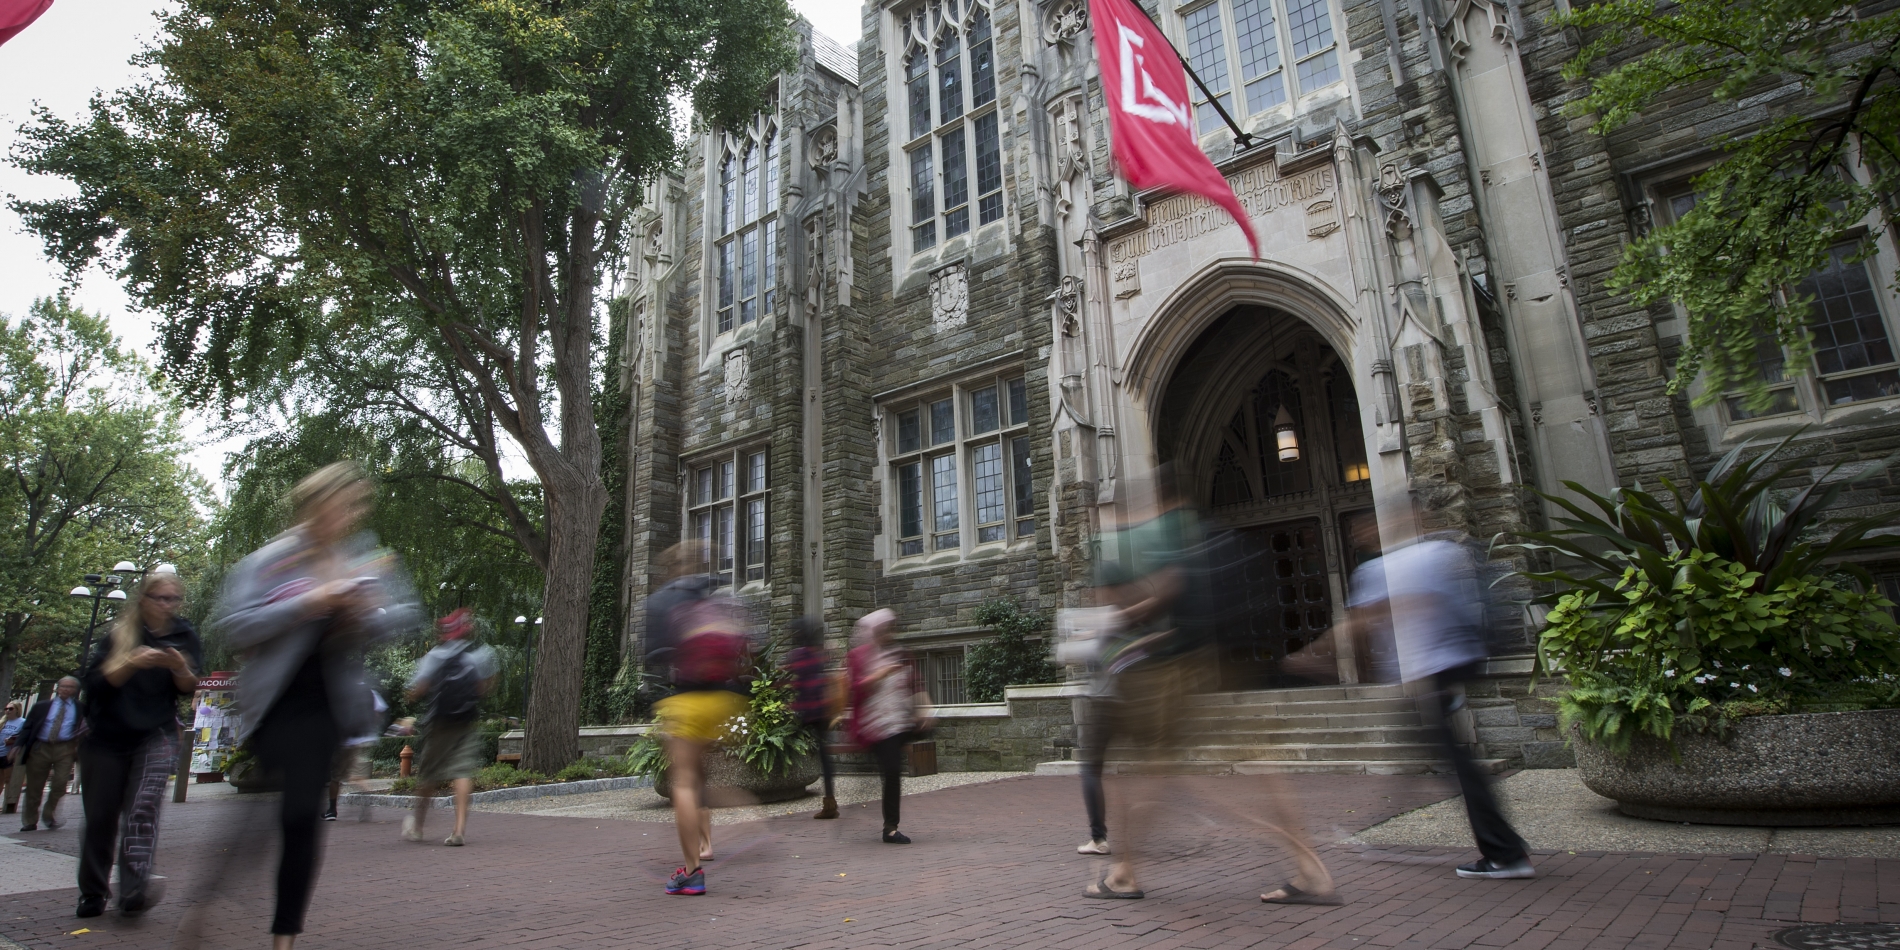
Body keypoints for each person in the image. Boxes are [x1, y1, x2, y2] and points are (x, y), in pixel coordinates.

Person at [1078, 467, 1336, 904]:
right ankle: (1310, 869)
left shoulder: (1154, 534)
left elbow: (1169, 590)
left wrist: (1115, 622)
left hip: (1174, 671)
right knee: (1252, 765)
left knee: (1154, 774)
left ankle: (1124, 874)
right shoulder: (1199, 527)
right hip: (1227, 659)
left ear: (1155, 497)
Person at [216, 461, 419, 948]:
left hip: (326, 705)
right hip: (276, 702)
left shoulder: (360, 559)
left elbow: (404, 616)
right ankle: (213, 896)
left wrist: (368, 612)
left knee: (299, 815)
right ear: (315, 503)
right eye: (342, 503)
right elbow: (236, 626)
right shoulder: (272, 560)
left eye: (356, 506)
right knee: (275, 816)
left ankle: (283, 934)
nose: (350, 515)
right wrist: (309, 602)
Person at [1342, 518, 1533, 880]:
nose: (1359, 535)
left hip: (1436, 670)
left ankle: (1504, 854)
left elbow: (1370, 617)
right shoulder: (1440, 551)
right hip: (1451, 665)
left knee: (1457, 765)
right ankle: (1504, 846)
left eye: (1362, 531)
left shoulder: (1384, 568)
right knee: (1444, 755)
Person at [75, 571, 201, 918]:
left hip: (155, 733)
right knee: (101, 817)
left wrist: (178, 665)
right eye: (159, 598)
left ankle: (134, 888)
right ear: (144, 599)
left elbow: (189, 686)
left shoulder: (183, 633)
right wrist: (132, 661)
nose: (166, 605)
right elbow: (98, 684)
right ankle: (92, 892)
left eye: (173, 599)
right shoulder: (121, 633)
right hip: (107, 736)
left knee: (143, 808)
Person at [644, 541, 751, 895]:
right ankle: (753, 816)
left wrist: (658, 700)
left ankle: (691, 871)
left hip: (687, 700)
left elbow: (654, 658)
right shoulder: (713, 594)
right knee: (702, 776)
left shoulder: (661, 601)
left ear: (671, 568)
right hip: (722, 700)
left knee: (685, 783)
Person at [403, 609, 498, 846]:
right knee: (462, 772)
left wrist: (411, 697)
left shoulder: (436, 656)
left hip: (439, 724)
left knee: (428, 775)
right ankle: (458, 831)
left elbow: (418, 689)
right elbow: (484, 688)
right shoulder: (480, 655)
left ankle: (417, 827)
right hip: (465, 722)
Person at [845, 608, 931, 845]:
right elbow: (856, 688)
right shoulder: (860, 657)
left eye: (891, 629)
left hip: (899, 720)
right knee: (892, 770)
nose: (888, 634)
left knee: (894, 766)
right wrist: (882, 673)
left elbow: (916, 683)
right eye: (883, 630)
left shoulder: (901, 653)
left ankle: (889, 824)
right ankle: (890, 828)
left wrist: (925, 708)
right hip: (875, 724)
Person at [782, 616, 840, 819]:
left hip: (807, 712)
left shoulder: (796, 655)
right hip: (822, 711)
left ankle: (783, 782)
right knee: (825, 758)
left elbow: (788, 679)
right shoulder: (819, 654)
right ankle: (830, 801)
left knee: (784, 740)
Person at [14, 676, 83, 832]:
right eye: (63, 686)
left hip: (65, 748)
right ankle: (30, 821)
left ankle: (49, 813)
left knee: (60, 783)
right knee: (34, 787)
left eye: (70, 687)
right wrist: (18, 745)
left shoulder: (80, 708)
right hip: (41, 747)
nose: (66, 689)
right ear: (57, 688)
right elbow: (28, 727)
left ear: (75, 690)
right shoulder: (42, 706)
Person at [325, 688, 385, 822]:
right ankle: (365, 796)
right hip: (366, 739)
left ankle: (331, 810)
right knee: (354, 774)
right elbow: (380, 711)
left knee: (336, 777)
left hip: (347, 740)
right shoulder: (371, 692)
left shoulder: (344, 689)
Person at [1, 700, 23, 811]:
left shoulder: (22, 722)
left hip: (9, 754)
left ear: (17, 710)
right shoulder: (3, 722)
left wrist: (13, 740)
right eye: (6, 709)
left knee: (8, 779)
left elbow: (22, 737)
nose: (7, 711)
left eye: (11, 709)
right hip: (0, 752)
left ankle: (8, 804)